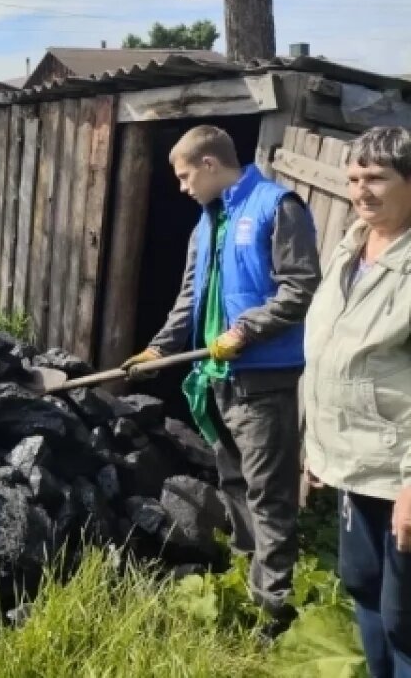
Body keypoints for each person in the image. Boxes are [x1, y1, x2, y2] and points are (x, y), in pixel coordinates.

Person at [120, 124, 320, 628]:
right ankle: (245, 583)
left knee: (268, 495)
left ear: (210, 164)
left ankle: (275, 613)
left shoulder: (277, 208)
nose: (183, 187)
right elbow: (190, 300)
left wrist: (246, 331)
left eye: (187, 176)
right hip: (215, 376)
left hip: (262, 377)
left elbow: (298, 289)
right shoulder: (205, 224)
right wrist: (157, 348)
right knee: (233, 484)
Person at [303, 126, 411, 678]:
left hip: (400, 475)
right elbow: (327, 357)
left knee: (404, 616)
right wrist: (315, 445)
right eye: (352, 178)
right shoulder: (350, 251)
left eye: (376, 178)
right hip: (355, 464)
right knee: (364, 587)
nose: (361, 190)